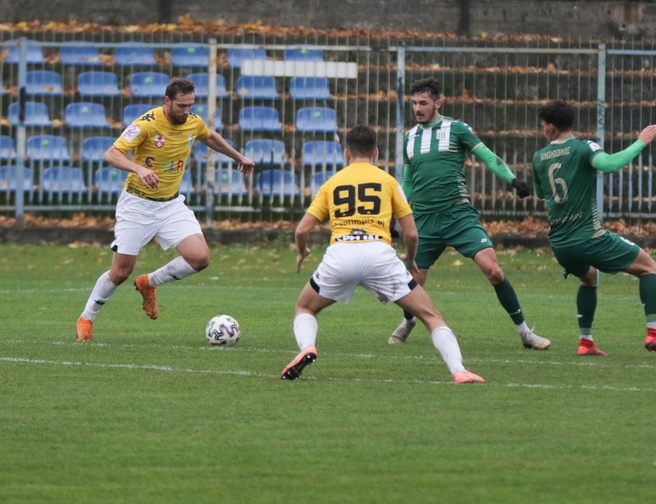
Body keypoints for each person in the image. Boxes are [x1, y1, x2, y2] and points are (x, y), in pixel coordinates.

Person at [281, 124, 484, 384]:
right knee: (430, 315)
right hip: (379, 254)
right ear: (376, 152)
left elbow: (302, 229)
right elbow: (411, 233)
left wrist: (302, 251)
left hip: (341, 252)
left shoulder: (332, 183)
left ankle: (307, 347)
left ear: (347, 154)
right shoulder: (388, 182)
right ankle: (459, 370)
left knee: (305, 307)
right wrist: (410, 259)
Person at [75, 78, 255, 342]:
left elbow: (209, 136)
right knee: (121, 271)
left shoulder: (192, 120)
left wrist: (238, 156)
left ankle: (149, 283)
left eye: (191, 105)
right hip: (137, 204)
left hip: (171, 204)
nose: (187, 111)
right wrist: (138, 168)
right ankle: (86, 318)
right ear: (167, 100)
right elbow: (112, 154)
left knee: (200, 258)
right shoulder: (146, 124)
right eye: (182, 106)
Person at [386, 78, 551, 350]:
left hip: (459, 216)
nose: (417, 108)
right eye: (414, 103)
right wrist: (395, 215)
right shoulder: (410, 137)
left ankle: (525, 333)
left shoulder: (456, 128)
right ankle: (409, 322)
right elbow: (409, 183)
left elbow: (487, 156)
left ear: (438, 103)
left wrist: (512, 180)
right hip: (425, 220)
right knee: (413, 283)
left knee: (494, 271)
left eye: (423, 103)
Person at [532, 100, 656, 355]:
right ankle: (655, 332)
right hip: (588, 237)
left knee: (589, 277)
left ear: (551, 127)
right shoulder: (584, 148)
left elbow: (540, 192)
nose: (542, 129)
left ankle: (586, 342)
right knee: (648, 267)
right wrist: (641, 141)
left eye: (542, 125)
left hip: (560, 244)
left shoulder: (539, 157)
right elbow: (610, 164)